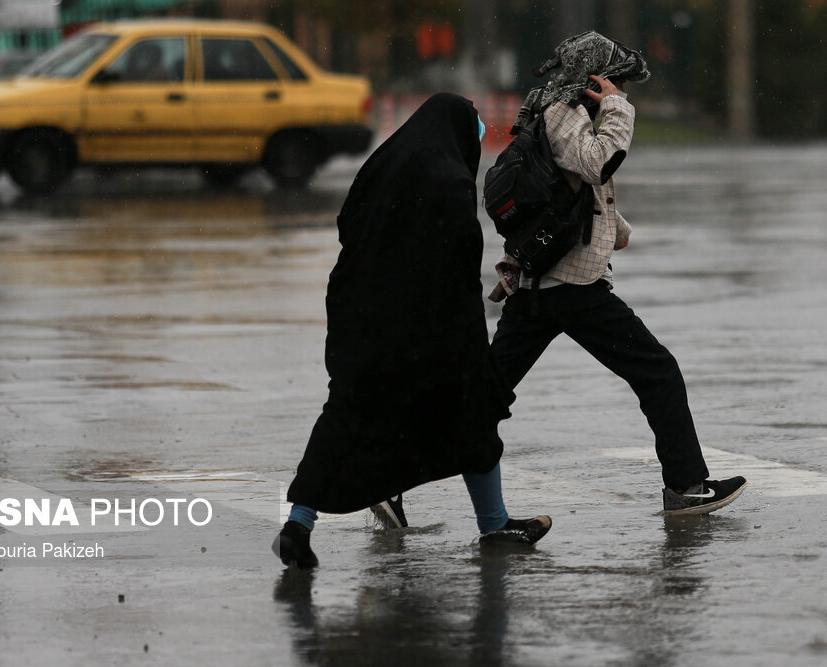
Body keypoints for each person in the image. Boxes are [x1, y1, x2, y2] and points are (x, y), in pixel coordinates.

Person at [273, 94, 551, 569]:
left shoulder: (381, 169)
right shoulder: (448, 180)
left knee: (346, 419)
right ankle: (495, 524)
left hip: (360, 323)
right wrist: (470, 342)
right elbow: (457, 271)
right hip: (429, 331)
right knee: (474, 414)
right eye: (475, 130)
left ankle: (298, 524)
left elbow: (350, 232)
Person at [488, 31, 747, 516]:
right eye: (615, 79)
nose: (622, 88)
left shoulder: (553, 112)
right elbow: (597, 162)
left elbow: (569, 191)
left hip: (543, 282)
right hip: (570, 286)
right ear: (592, 78)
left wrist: (616, 228)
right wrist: (618, 109)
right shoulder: (561, 112)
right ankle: (686, 488)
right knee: (658, 372)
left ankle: (389, 479)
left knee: (483, 398)